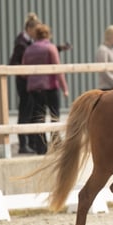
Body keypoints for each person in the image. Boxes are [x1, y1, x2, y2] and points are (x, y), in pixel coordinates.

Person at [22, 23, 69, 155]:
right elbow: (57, 69)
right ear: (48, 34)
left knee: (38, 116)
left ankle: (41, 147)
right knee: (54, 115)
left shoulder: (29, 49)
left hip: (34, 87)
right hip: (49, 86)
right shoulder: (50, 48)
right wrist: (65, 87)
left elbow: (24, 69)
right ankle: (56, 145)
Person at [9, 13, 40, 153]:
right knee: (25, 112)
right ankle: (23, 144)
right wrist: (23, 73)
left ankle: (32, 143)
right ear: (29, 29)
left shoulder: (30, 42)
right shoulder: (21, 43)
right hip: (24, 83)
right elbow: (13, 62)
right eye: (35, 31)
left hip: (31, 82)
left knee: (32, 111)